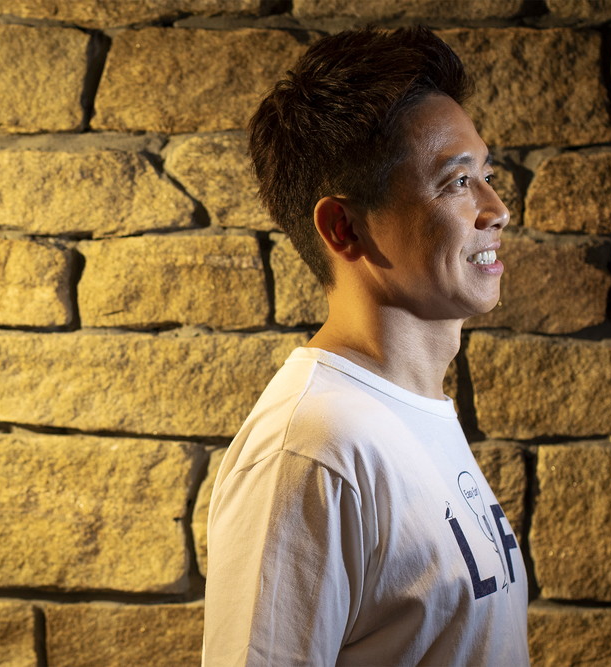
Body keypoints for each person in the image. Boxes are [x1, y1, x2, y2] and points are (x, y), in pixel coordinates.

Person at [203, 27, 528, 666]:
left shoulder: (406, 413)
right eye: (457, 182)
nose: (496, 209)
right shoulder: (312, 449)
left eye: (486, 174)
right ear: (343, 227)